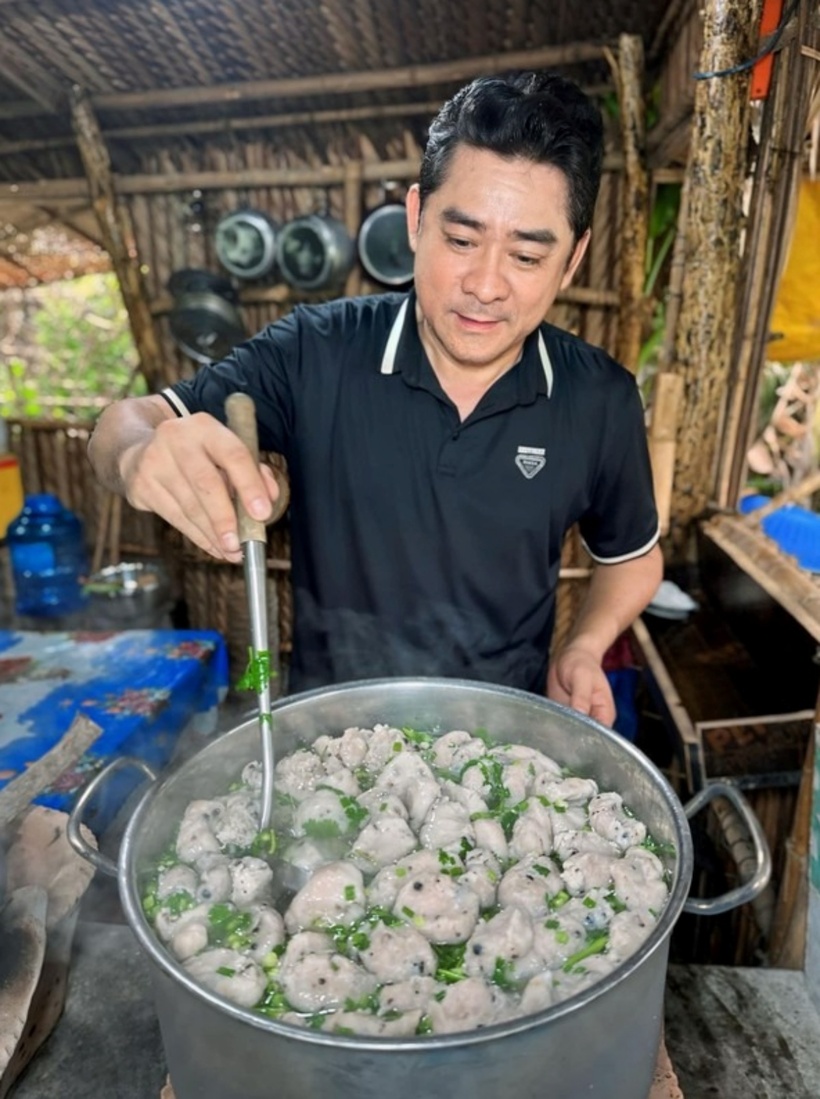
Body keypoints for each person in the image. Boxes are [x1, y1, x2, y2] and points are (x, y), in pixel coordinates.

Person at [88, 70, 663, 725]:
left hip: (502, 746)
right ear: (416, 218)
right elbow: (121, 425)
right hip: (327, 743)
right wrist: (138, 455)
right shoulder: (315, 351)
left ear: (574, 258)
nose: (485, 284)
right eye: (461, 239)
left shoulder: (598, 398)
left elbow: (633, 558)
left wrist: (585, 646)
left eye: (527, 257)